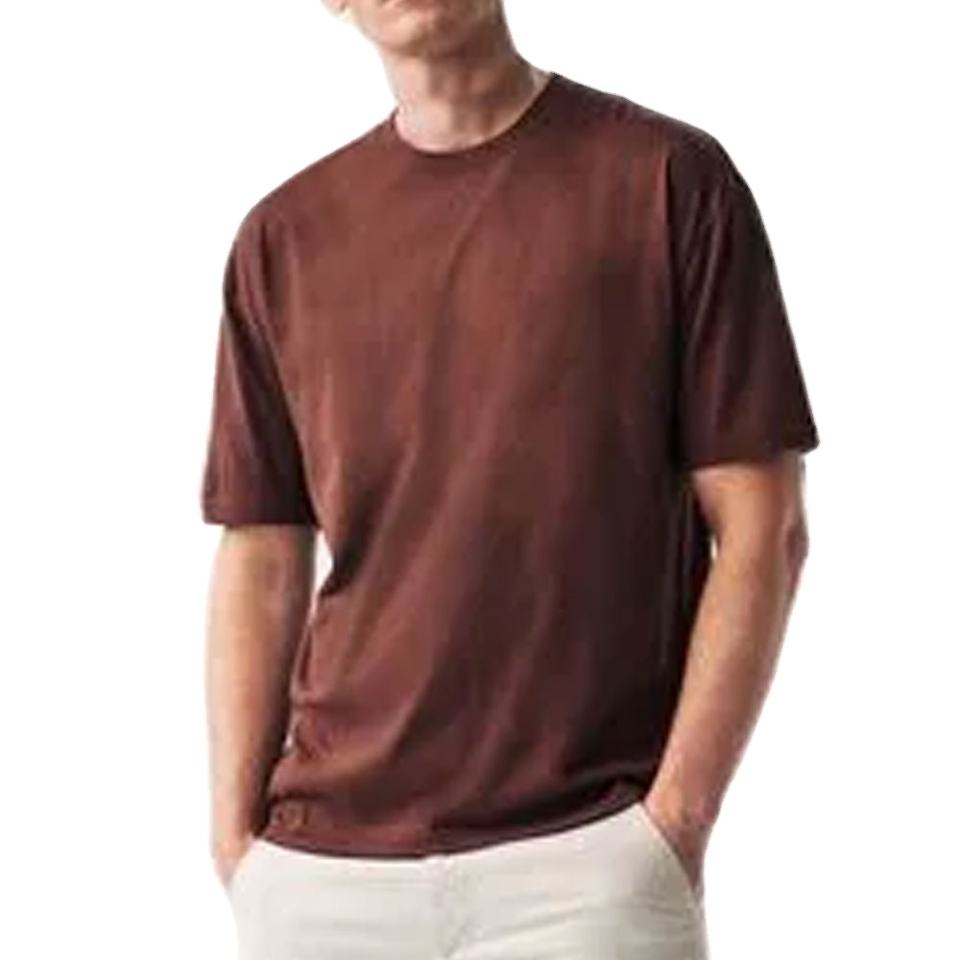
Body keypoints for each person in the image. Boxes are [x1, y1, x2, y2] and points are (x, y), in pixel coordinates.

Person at [199, 1, 820, 957]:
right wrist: (238, 845)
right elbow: (262, 553)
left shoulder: (666, 177)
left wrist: (677, 818)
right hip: (322, 878)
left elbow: (763, 527)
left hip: (587, 864)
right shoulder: (283, 237)